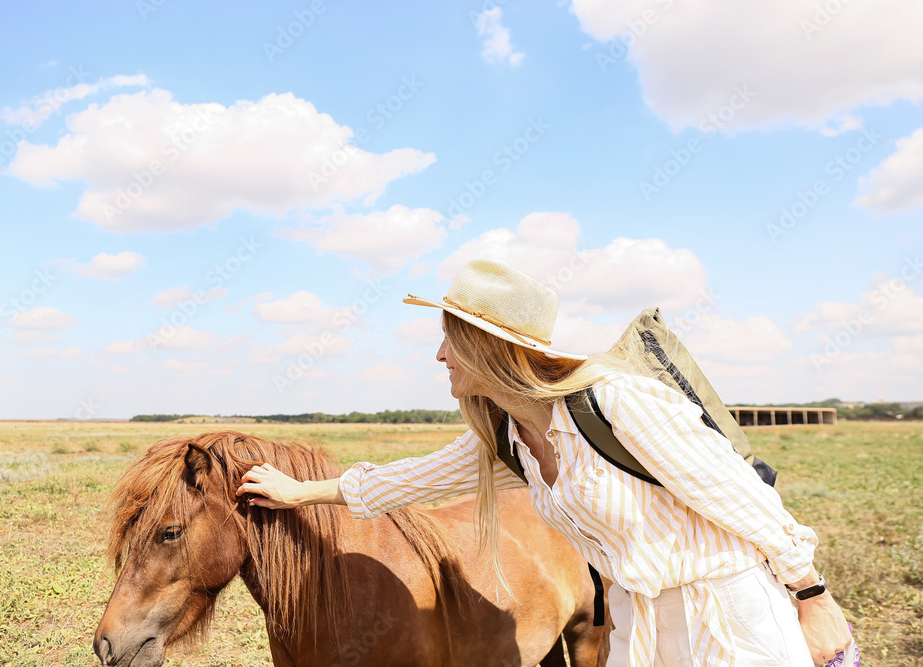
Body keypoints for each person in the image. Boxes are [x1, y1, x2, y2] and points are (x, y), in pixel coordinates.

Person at [235, 258, 852, 666]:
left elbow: (747, 501)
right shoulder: (510, 433)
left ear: (489, 347)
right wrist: (298, 494)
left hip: (725, 611)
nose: (440, 355)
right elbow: (407, 480)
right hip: (640, 620)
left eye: (451, 339)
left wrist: (813, 599)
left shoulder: (615, 402)